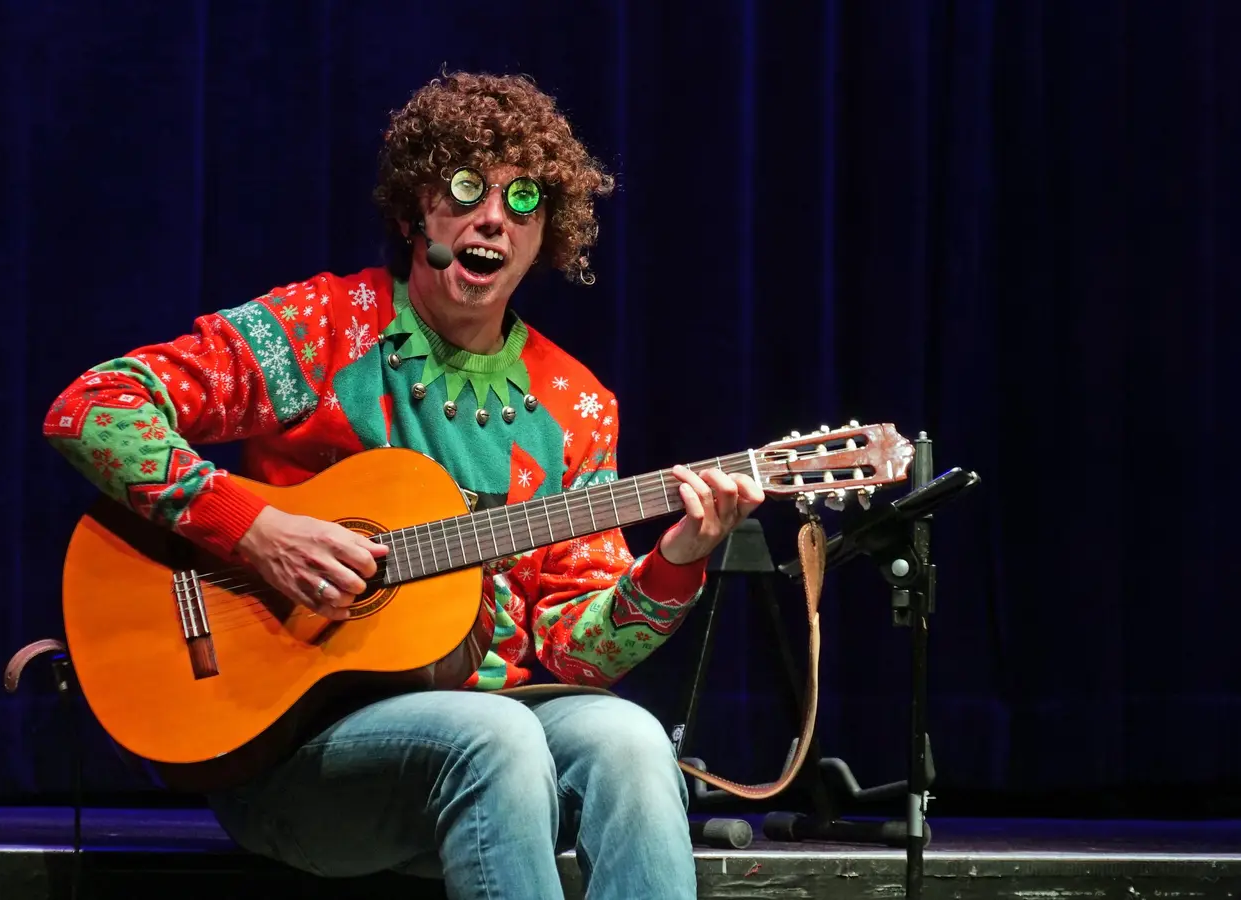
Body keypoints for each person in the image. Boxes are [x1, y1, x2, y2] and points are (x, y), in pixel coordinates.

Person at [43, 71, 764, 900]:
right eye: (465, 188)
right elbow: (94, 408)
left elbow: (571, 650)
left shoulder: (576, 406)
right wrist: (255, 530)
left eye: (522, 201)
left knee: (632, 741)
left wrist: (676, 562)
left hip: (500, 757)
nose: (492, 216)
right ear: (419, 208)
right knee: (497, 738)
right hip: (299, 754)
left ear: (545, 236)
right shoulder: (327, 329)